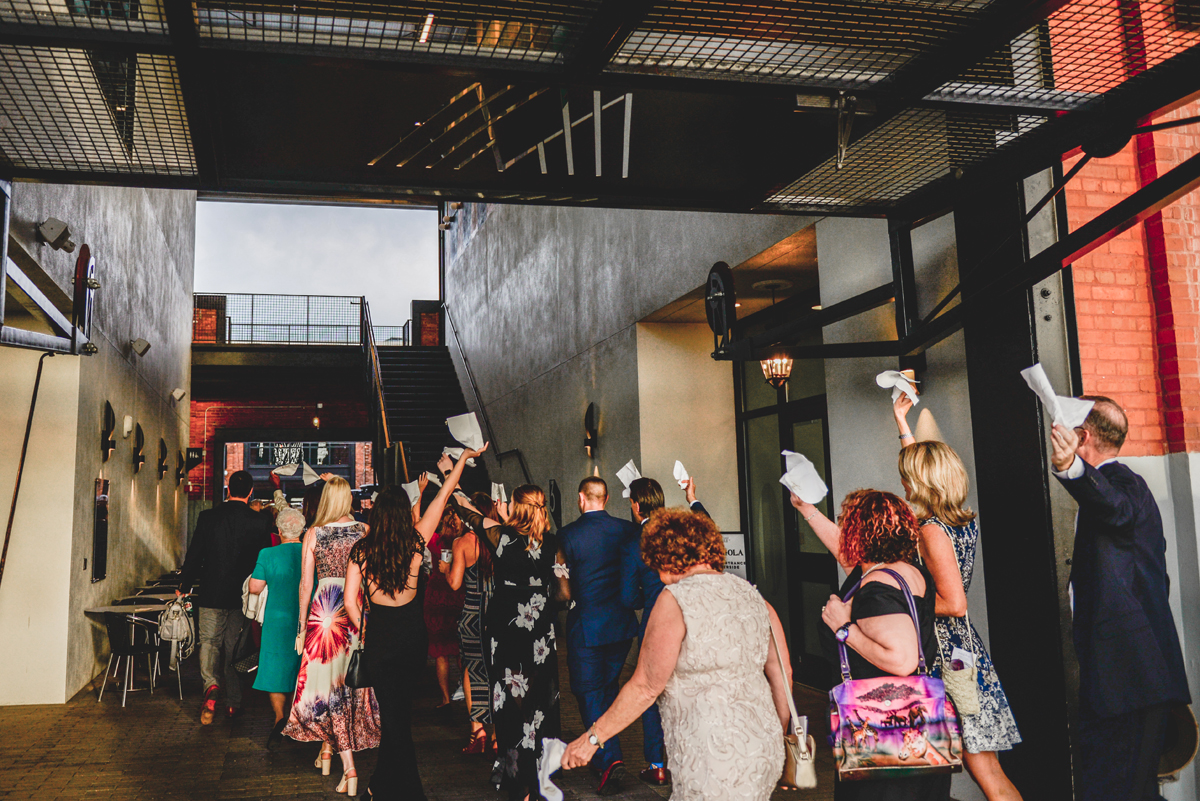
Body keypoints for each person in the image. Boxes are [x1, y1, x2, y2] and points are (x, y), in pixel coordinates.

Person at [562, 508, 791, 801]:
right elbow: (783, 674)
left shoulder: (676, 600)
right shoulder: (755, 597)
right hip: (763, 745)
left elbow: (645, 687)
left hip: (711, 751)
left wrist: (592, 739)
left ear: (667, 556)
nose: (659, 575)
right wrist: (779, 735)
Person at [1049, 397, 1190, 801]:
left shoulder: (1125, 484)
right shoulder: (1114, 490)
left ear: (1083, 436)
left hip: (1130, 677)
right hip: (1125, 678)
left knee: (1117, 790)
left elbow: (1115, 508)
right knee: (1128, 789)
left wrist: (1070, 469)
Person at [890, 397, 1023, 801]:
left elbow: (955, 603)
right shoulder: (953, 519)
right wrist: (901, 421)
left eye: (908, 479)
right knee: (984, 767)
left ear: (924, 483)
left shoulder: (931, 530)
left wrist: (903, 604)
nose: (903, 486)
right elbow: (919, 466)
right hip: (964, 653)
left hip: (950, 658)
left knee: (986, 771)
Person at [344, 447, 482, 801]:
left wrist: (367, 628)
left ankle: (398, 789)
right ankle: (385, 784)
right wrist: (463, 460)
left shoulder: (361, 550)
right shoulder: (416, 539)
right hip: (411, 638)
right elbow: (446, 493)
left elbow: (349, 602)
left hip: (380, 639)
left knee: (394, 717)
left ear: (376, 513)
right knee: (397, 716)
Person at [801, 489, 949, 801]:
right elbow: (843, 555)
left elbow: (902, 659)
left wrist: (843, 628)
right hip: (914, 724)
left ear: (856, 534)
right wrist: (806, 509)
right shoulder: (907, 572)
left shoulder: (878, 586)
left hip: (882, 732)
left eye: (846, 525)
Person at [453, 485, 570, 801]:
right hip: (538, 634)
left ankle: (517, 782)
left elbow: (469, 514)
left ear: (516, 508)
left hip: (504, 633)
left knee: (506, 704)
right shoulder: (553, 544)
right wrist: (539, 600)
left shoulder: (501, 539)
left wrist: (453, 475)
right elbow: (563, 594)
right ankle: (542, 779)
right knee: (540, 705)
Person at [282, 476, 380, 793]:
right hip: (356, 614)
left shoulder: (314, 534)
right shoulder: (364, 531)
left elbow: (305, 585)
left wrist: (300, 626)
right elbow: (373, 577)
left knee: (326, 687)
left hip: (324, 614)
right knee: (346, 686)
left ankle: (348, 768)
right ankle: (328, 750)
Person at [617, 475, 711, 787]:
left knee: (651, 692)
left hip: (657, 624)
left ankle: (657, 763)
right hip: (691, 622)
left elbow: (629, 597)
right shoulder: (682, 529)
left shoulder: (634, 543)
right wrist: (692, 499)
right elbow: (709, 531)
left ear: (636, 504)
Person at [557, 477, 641, 794]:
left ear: (582, 498)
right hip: (621, 624)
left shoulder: (568, 534)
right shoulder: (627, 530)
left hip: (587, 624)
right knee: (607, 688)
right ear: (605, 499)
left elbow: (563, 590)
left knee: (587, 692)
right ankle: (606, 752)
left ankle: (610, 758)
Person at [178, 469, 273, 724]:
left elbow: (195, 555)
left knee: (209, 642)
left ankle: (211, 686)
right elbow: (263, 561)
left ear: (228, 490)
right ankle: (233, 703)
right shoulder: (260, 522)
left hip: (211, 592)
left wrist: (184, 584)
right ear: (251, 492)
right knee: (235, 647)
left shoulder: (208, 518)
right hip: (243, 596)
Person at [248, 506, 305, 748]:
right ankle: (297, 716)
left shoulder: (267, 554)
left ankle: (280, 718)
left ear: (279, 530)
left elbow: (255, 588)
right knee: (299, 666)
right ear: (301, 530)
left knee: (275, 668)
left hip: (277, 619)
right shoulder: (310, 551)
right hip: (306, 618)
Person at [443, 491, 496, 754]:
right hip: (498, 612)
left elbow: (454, 583)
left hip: (473, 613)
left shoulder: (462, 542)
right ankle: (498, 733)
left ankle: (478, 731)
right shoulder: (500, 540)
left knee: (472, 668)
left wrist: (445, 570)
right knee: (497, 668)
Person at [426, 506, 466, 708]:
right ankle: (465, 689)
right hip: (458, 595)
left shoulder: (435, 542)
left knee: (441, 652)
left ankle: (445, 698)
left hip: (436, 597)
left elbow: (420, 526)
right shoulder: (466, 543)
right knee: (461, 650)